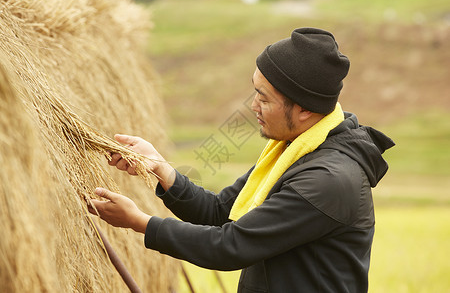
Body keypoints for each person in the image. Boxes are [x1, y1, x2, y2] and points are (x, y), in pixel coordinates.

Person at [89, 27, 395, 293]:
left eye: (264, 99)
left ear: (304, 110)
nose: (253, 107)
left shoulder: (327, 181)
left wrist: (139, 222)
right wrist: (160, 168)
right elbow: (222, 211)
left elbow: (229, 246)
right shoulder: (293, 152)